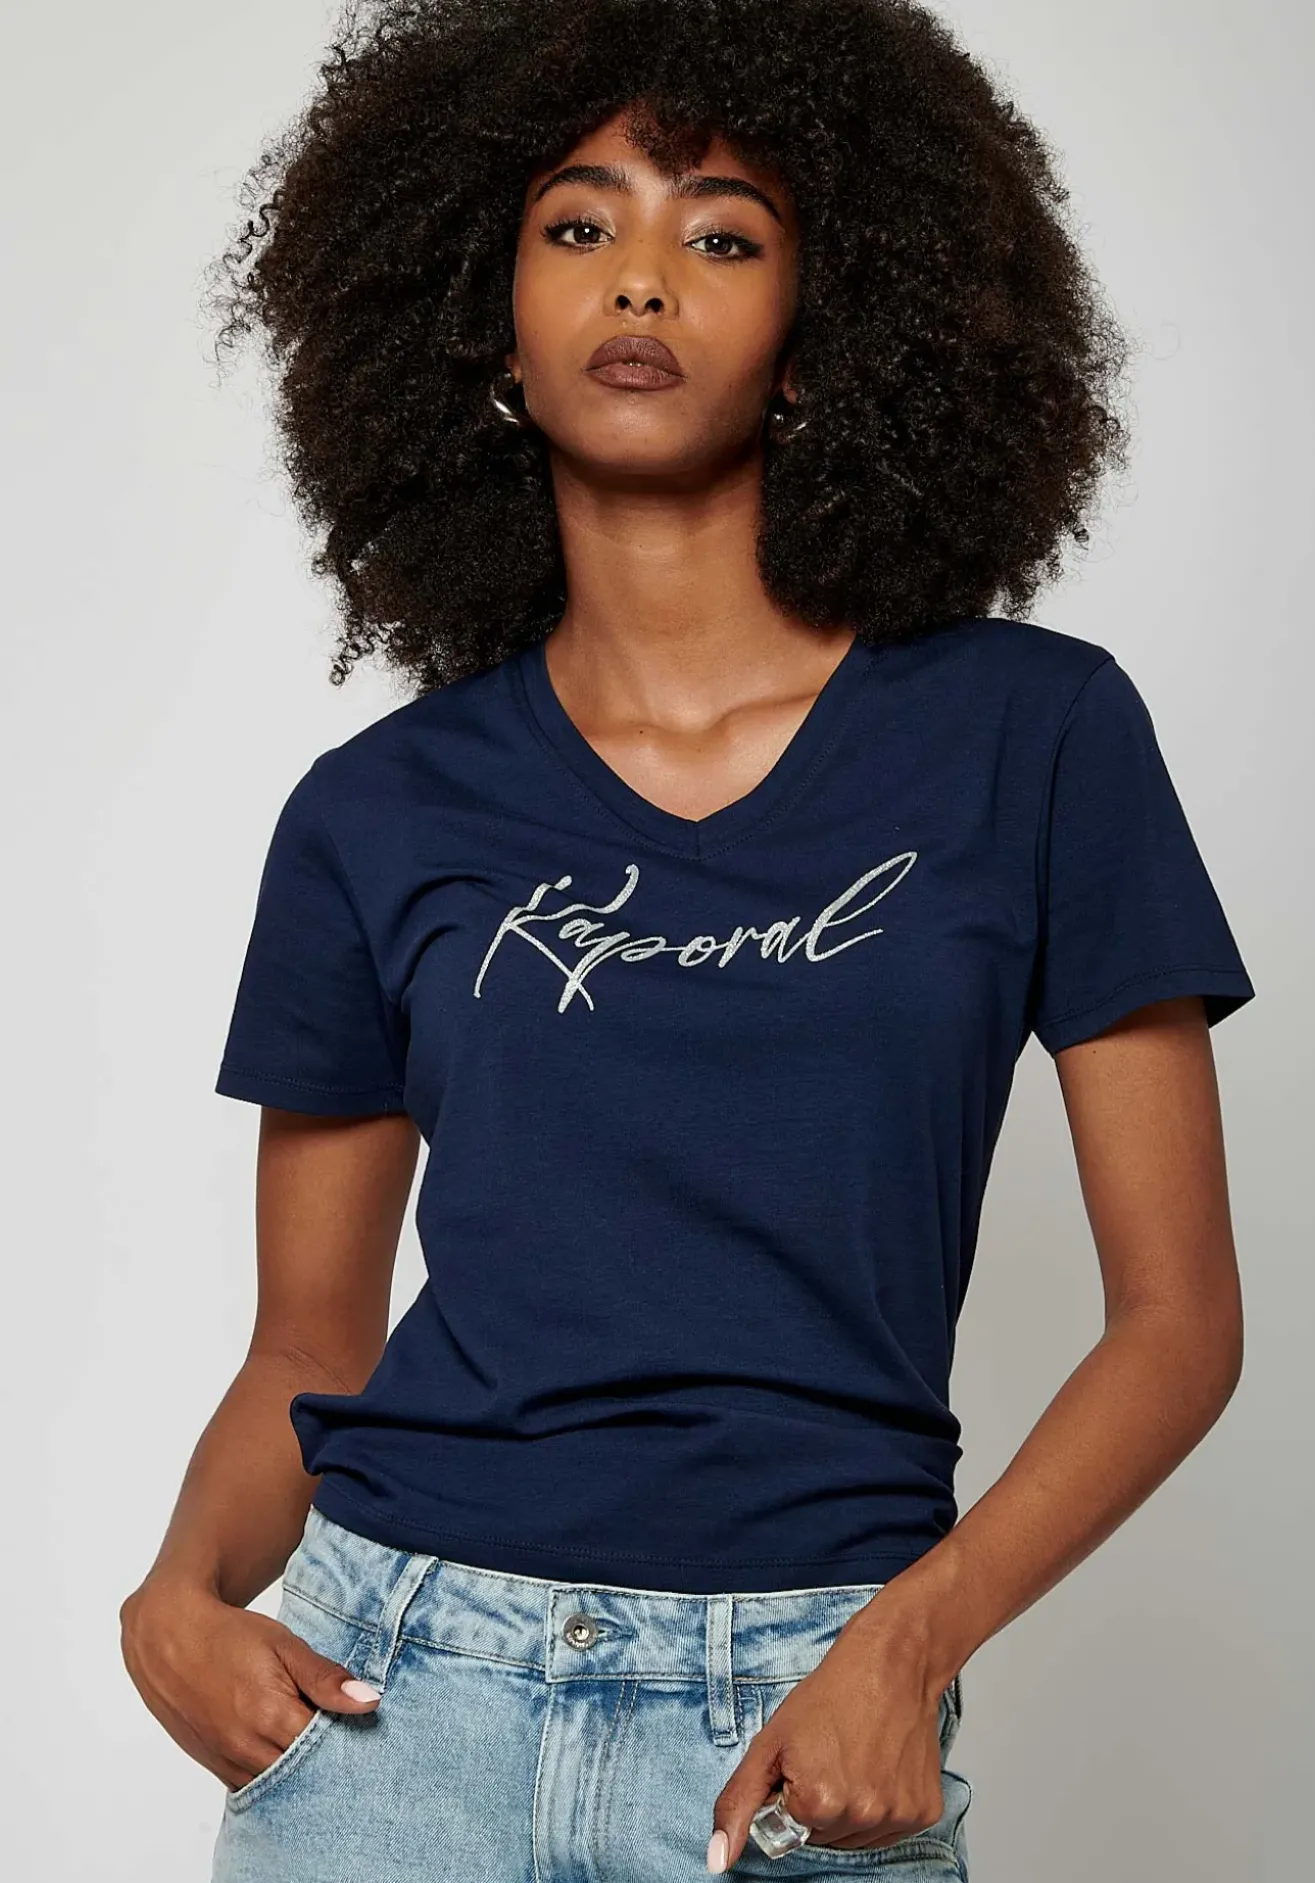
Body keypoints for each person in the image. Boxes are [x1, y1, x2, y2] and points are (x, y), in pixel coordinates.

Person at [119, 2, 1257, 1878]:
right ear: (486, 325)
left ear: (819, 341)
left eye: (721, 235)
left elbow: (1177, 1323)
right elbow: (304, 1345)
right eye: (578, 226)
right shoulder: (376, 810)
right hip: (399, 1699)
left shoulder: (1032, 736)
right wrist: (177, 1590)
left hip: (801, 1719)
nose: (639, 276)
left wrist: (908, 1644)